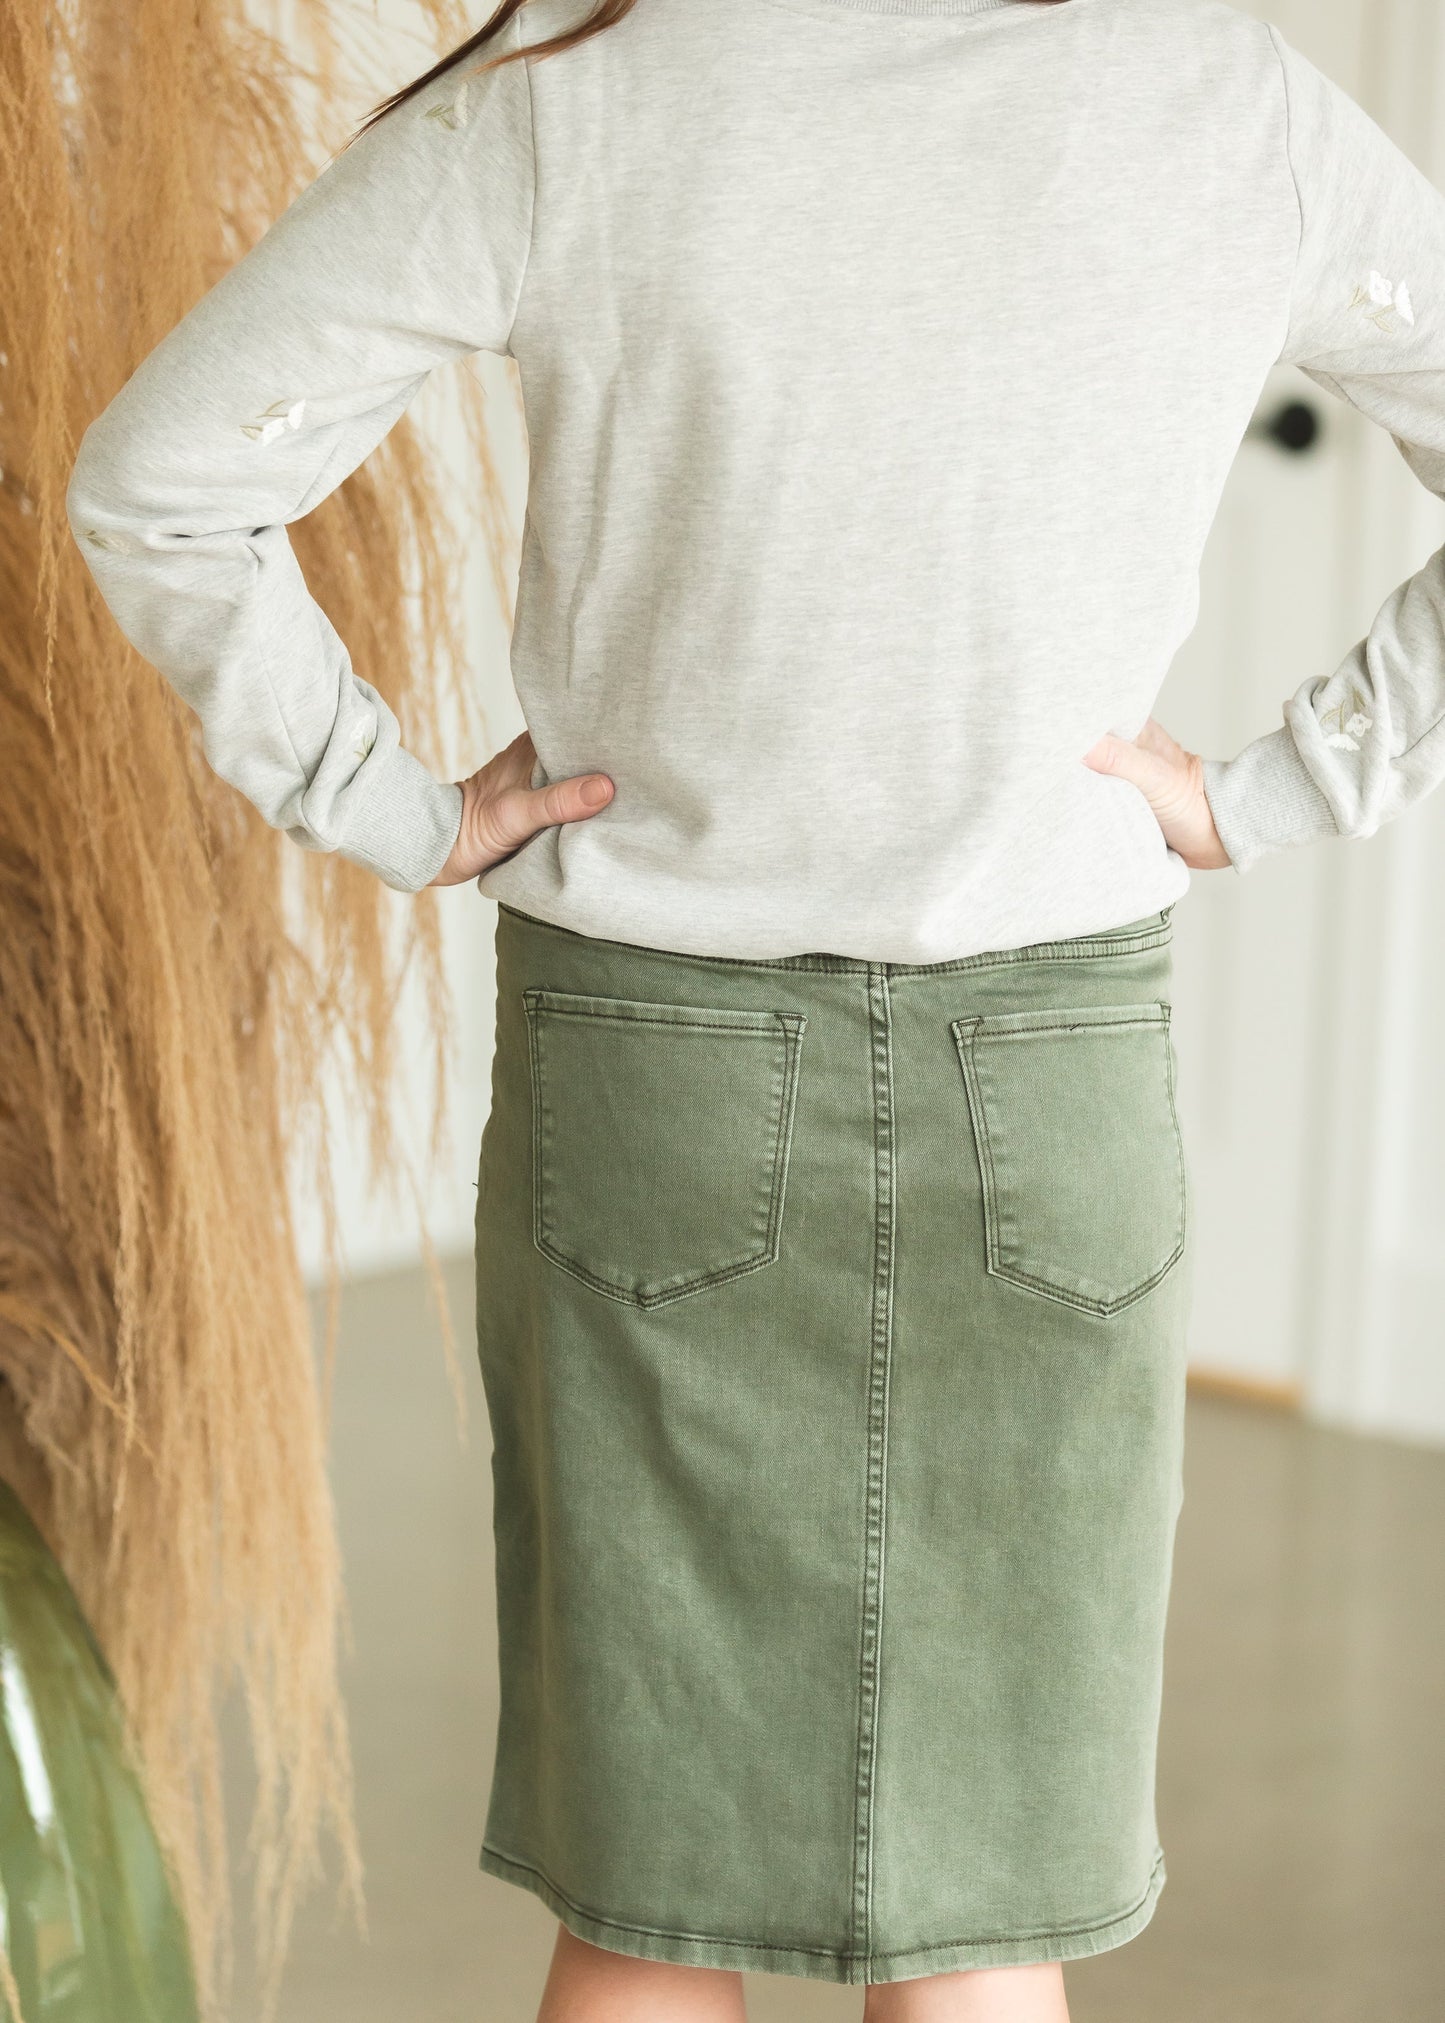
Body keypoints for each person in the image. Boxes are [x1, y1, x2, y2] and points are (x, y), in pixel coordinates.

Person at [64, 0, 1445, 2016]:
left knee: (644, 1908)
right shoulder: (1218, 102)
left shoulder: (574, 94)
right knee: (991, 1930)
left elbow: (157, 479)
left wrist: (390, 802)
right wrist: (1269, 793)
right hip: (1047, 1085)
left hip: (655, 1080)